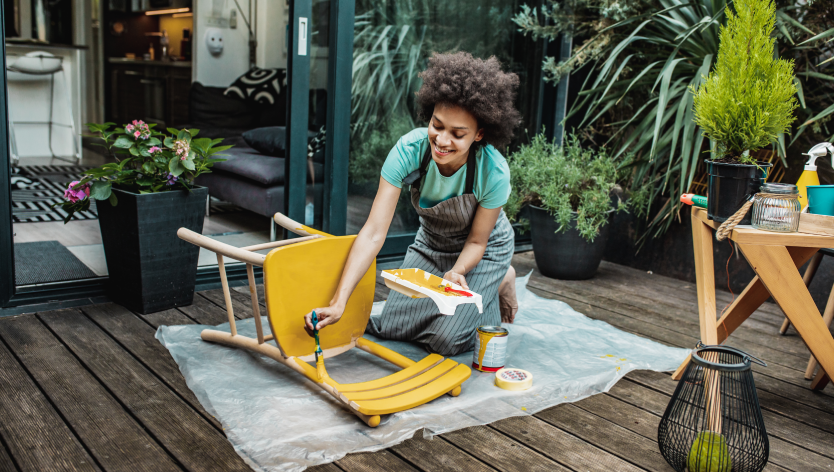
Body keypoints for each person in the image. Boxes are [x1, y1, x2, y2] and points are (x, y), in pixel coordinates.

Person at [305, 51, 520, 356]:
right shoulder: (409, 151)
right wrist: (339, 302)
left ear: (479, 134)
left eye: (458, 134)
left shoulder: (493, 171)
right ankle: (483, 287)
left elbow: (476, 240)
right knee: (393, 326)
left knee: (448, 340)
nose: (442, 141)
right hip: (432, 243)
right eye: (437, 125)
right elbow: (373, 233)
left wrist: (458, 272)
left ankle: (499, 277)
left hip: (482, 251)